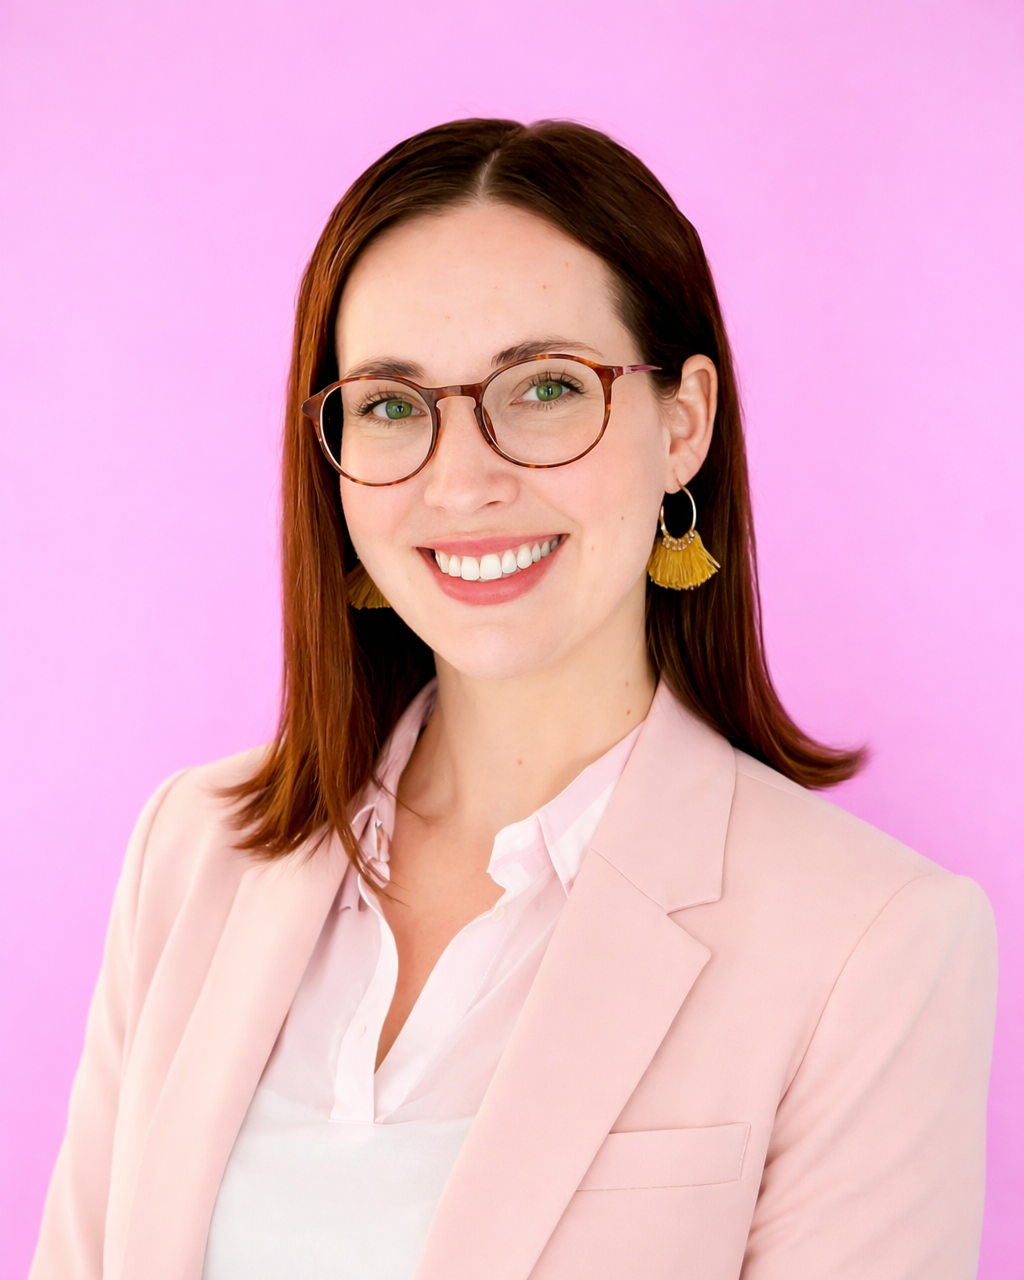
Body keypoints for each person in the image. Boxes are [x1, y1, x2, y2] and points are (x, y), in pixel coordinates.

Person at [30, 119, 996, 1280]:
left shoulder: (873, 944)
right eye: (392, 404)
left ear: (682, 422)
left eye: (544, 387)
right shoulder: (192, 851)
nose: (465, 479)